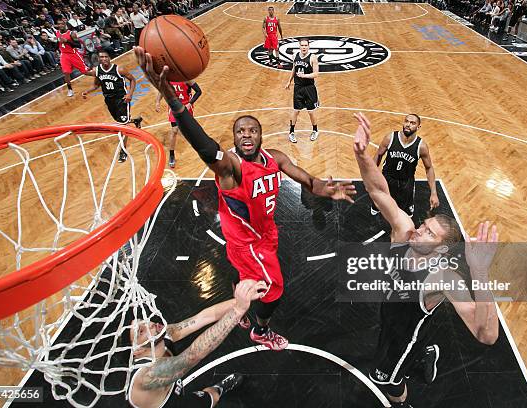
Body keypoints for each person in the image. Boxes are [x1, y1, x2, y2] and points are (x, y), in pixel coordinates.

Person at [135, 46, 356, 351]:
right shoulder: (231, 168)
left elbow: (307, 179)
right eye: (241, 131)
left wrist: (321, 188)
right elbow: (204, 146)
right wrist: (174, 100)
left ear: (261, 135)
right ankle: (260, 332)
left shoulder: (274, 158)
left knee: (247, 278)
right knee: (273, 290)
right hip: (246, 242)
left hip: (266, 233)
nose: (247, 134)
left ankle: (240, 301)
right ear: (235, 138)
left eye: (253, 130)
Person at [353, 113, 499, 407]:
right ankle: (427, 352)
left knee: (387, 382)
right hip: (392, 313)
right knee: (400, 331)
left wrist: (480, 272)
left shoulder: (442, 278)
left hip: (403, 336)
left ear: (441, 250)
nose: (418, 232)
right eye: (423, 225)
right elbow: (378, 190)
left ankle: (404, 400)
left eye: (428, 233)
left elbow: (486, 335)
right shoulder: (405, 233)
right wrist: (362, 155)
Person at [128, 279, 267, 408]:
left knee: (212, 396)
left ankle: (220, 388)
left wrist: (241, 300)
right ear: (138, 351)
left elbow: (203, 317)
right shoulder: (146, 376)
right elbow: (192, 355)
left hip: (170, 388)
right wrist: (238, 311)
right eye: (141, 331)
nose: (150, 325)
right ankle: (217, 392)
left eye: (144, 321)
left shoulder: (164, 333)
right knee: (212, 399)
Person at [370, 114, 439, 217]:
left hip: (406, 183)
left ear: (418, 127)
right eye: (406, 121)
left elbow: (429, 168)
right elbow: (378, 155)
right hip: (386, 179)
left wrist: (433, 192)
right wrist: (372, 175)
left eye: (412, 123)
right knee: (376, 208)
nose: (408, 125)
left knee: (406, 215)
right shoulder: (390, 137)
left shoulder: (421, 146)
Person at [81, 51, 142, 162]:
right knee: (120, 120)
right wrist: (86, 91)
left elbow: (133, 80)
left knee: (122, 126)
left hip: (121, 99)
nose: (103, 58)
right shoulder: (98, 71)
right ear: (99, 59)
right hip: (109, 100)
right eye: (101, 57)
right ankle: (136, 120)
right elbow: (96, 85)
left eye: (105, 56)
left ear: (110, 58)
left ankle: (123, 151)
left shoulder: (119, 69)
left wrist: (130, 94)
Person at [155, 80, 203, 168]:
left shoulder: (186, 78)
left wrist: (190, 103)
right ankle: (172, 155)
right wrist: (157, 102)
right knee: (174, 130)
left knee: (190, 129)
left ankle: (201, 148)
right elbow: (162, 90)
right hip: (174, 107)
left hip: (186, 106)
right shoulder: (168, 78)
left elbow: (198, 91)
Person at [285, 38, 319, 144]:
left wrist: (304, 76)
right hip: (298, 87)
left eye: (305, 45)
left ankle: (315, 130)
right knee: (296, 111)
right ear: (299, 46)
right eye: (302, 45)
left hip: (309, 88)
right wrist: (289, 81)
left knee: (311, 112)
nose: (304, 47)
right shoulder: (295, 56)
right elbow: (294, 69)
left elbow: (316, 74)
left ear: (308, 46)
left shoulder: (313, 57)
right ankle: (291, 132)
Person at [55, 18, 90, 97]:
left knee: (85, 72)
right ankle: (70, 89)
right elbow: (58, 44)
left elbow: (78, 45)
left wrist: (67, 41)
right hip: (64, 55)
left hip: (73, 54)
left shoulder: (71, 33)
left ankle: (99, 75)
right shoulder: (56, 33)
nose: (60, 25)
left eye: (62, 24)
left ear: (65, 25)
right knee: (66, 72)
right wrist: (56, 48)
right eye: (59, 24)